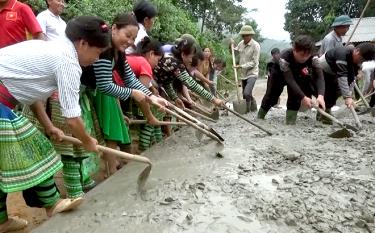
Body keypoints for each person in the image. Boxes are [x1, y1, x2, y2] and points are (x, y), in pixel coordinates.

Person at [0, 15, 110, 232]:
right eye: (97, 53)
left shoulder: (54, 49)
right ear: (83, 43)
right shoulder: (68, 61)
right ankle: (53, 204)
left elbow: (32, 95)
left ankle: (2, 221)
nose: (97, 59)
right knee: (36, 148)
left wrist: (49, 126)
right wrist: (88, 141)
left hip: (6, 101)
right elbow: (72, 117)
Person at [81, 12, 168, 175]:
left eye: (133, 39)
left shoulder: (118, 51)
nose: (129, 42)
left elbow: (130, 79)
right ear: (114, 28)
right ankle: (107, 173)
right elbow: (105, 86)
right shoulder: (105, 48)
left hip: (97, 91)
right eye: (127, 35)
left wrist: (152, 97)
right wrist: (133, 93)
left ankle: (110, 171)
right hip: (85, 91)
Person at [258, 35, 326, 125]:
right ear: (294, 50)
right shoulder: (284, 57)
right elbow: (290, 80)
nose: (305, 58)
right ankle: (260, 116)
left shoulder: (314, 57)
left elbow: (319, 76)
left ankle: (290, 120)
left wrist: (321, 95)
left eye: (307, 55)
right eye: (302, 55)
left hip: (297, 72)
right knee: (272, 95)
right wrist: (304, 97)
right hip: (279, 73)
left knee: (295, 95)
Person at [153, 36, 224, 109]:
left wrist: (175, 98)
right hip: (149, 83)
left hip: (155, 83)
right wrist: (214, 99)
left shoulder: (174, 60)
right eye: (190, 57)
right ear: (183, 54)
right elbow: (192, 84)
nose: (191, 60)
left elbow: (166, 82)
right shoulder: (175, 63)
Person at [318, 42, 375, 121]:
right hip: (320, 70)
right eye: (361, 59)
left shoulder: (355, 61)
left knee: (338, 91)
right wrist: (347, 97)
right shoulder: (343, 54)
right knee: (328, 91)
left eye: (363, 61)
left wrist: (349, 95)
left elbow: (352, 79)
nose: (360, 62)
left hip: (332, 72)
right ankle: (323, 112)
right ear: (357, 51)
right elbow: (342, 77)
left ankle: (326, 109)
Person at [126, 37, 165, 151]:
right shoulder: (144, 63)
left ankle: (154, 147)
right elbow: (141, 95)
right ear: (151, 54)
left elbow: (141, 88)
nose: (157, 65)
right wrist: (149, 116)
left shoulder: (134, 57)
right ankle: (143, 151)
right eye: (158, 60)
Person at [230, 25, 261, 112]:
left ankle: (247, 110)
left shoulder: (256, 46)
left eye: (246, 35)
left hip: (252, 73)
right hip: (243, 74)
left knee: (246, 93)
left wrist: (241, 66)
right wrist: (231, 46)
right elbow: (235, 52)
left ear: (251, 35)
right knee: (246, 94)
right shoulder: (241, 43)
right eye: (243, 35)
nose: (244, 37)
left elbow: (254, 62)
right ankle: (253, 106)